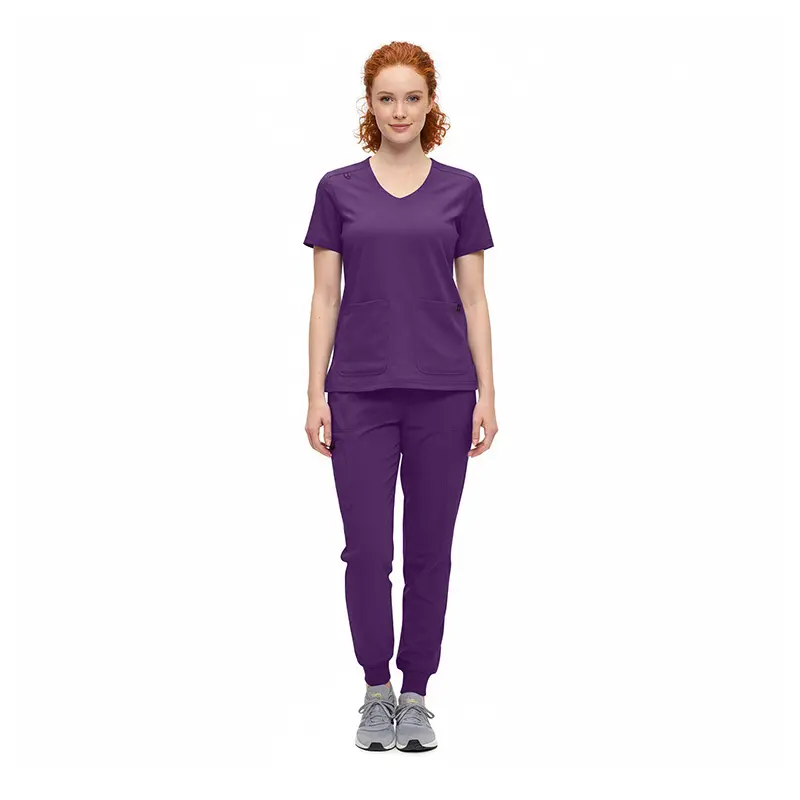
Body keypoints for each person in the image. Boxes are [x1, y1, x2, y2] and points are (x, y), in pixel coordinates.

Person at [303, 41, 498, 752]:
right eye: (386, 98)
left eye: (412, 97)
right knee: (365, 552)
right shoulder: (337, 189)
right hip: (358, 393)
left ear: (431, 102)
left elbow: (474, 300)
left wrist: (487, 393)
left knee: (429, 552)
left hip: (445, 393)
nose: (399, 111)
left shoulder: (461, 190)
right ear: (370, 103)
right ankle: (375, 690)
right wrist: (315, 392)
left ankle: (416, 694)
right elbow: (325, 297)